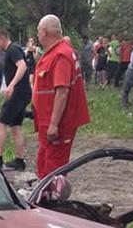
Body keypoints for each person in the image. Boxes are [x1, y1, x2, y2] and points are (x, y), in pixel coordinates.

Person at [32, 15, 90, 179]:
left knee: (53, 168)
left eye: (38, 31)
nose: (37, 35)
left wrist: (54, 124)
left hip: (57, 125)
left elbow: (62, 92)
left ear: (44, 32)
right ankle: (44, 198)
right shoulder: (54, 53)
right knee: (44, 162)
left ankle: (51, 201)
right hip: (46, 122)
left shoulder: (61, 56)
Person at [0, 27, 32, 170]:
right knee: (15, 126)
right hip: (24, 93)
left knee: (1, 123)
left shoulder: (12, 49)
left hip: (18, 93)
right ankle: (20, 160)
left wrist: (12, 85)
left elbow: (22, 66)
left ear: (2, 38)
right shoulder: (13, 50)